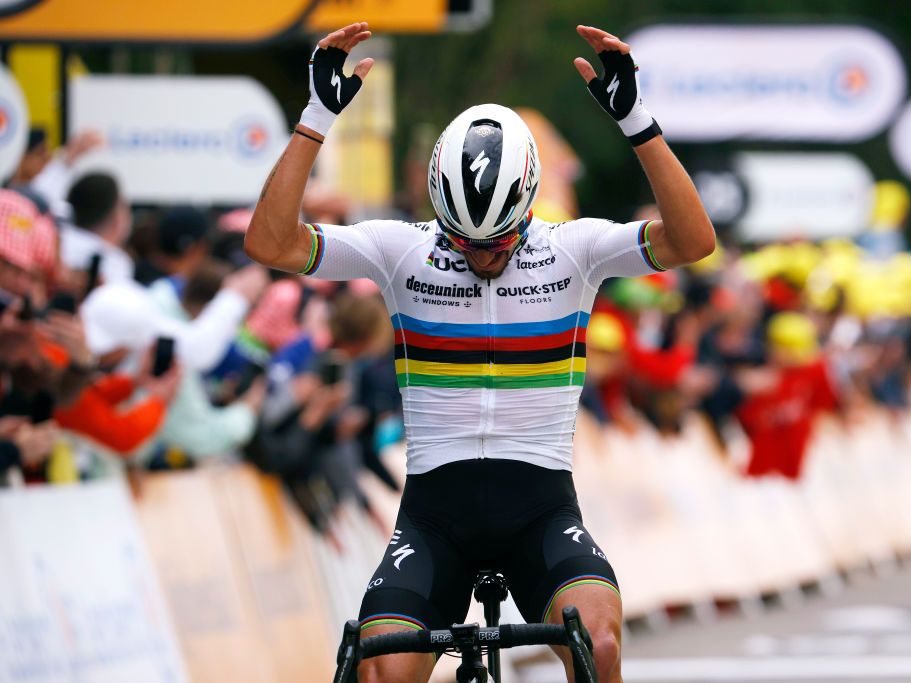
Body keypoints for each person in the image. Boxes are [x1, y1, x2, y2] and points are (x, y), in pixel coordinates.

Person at [244, 22, 715, 682]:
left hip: (542, 513)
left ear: (528, 213)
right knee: (377, 670)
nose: (482, 256)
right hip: (434, 518)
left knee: (598, 646)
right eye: (464, 243)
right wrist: (315, 120)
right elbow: (271, 244)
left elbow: (693, 241)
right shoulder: (401, 249)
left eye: (498, 243)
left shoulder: (574, 249)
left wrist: (637, 123)